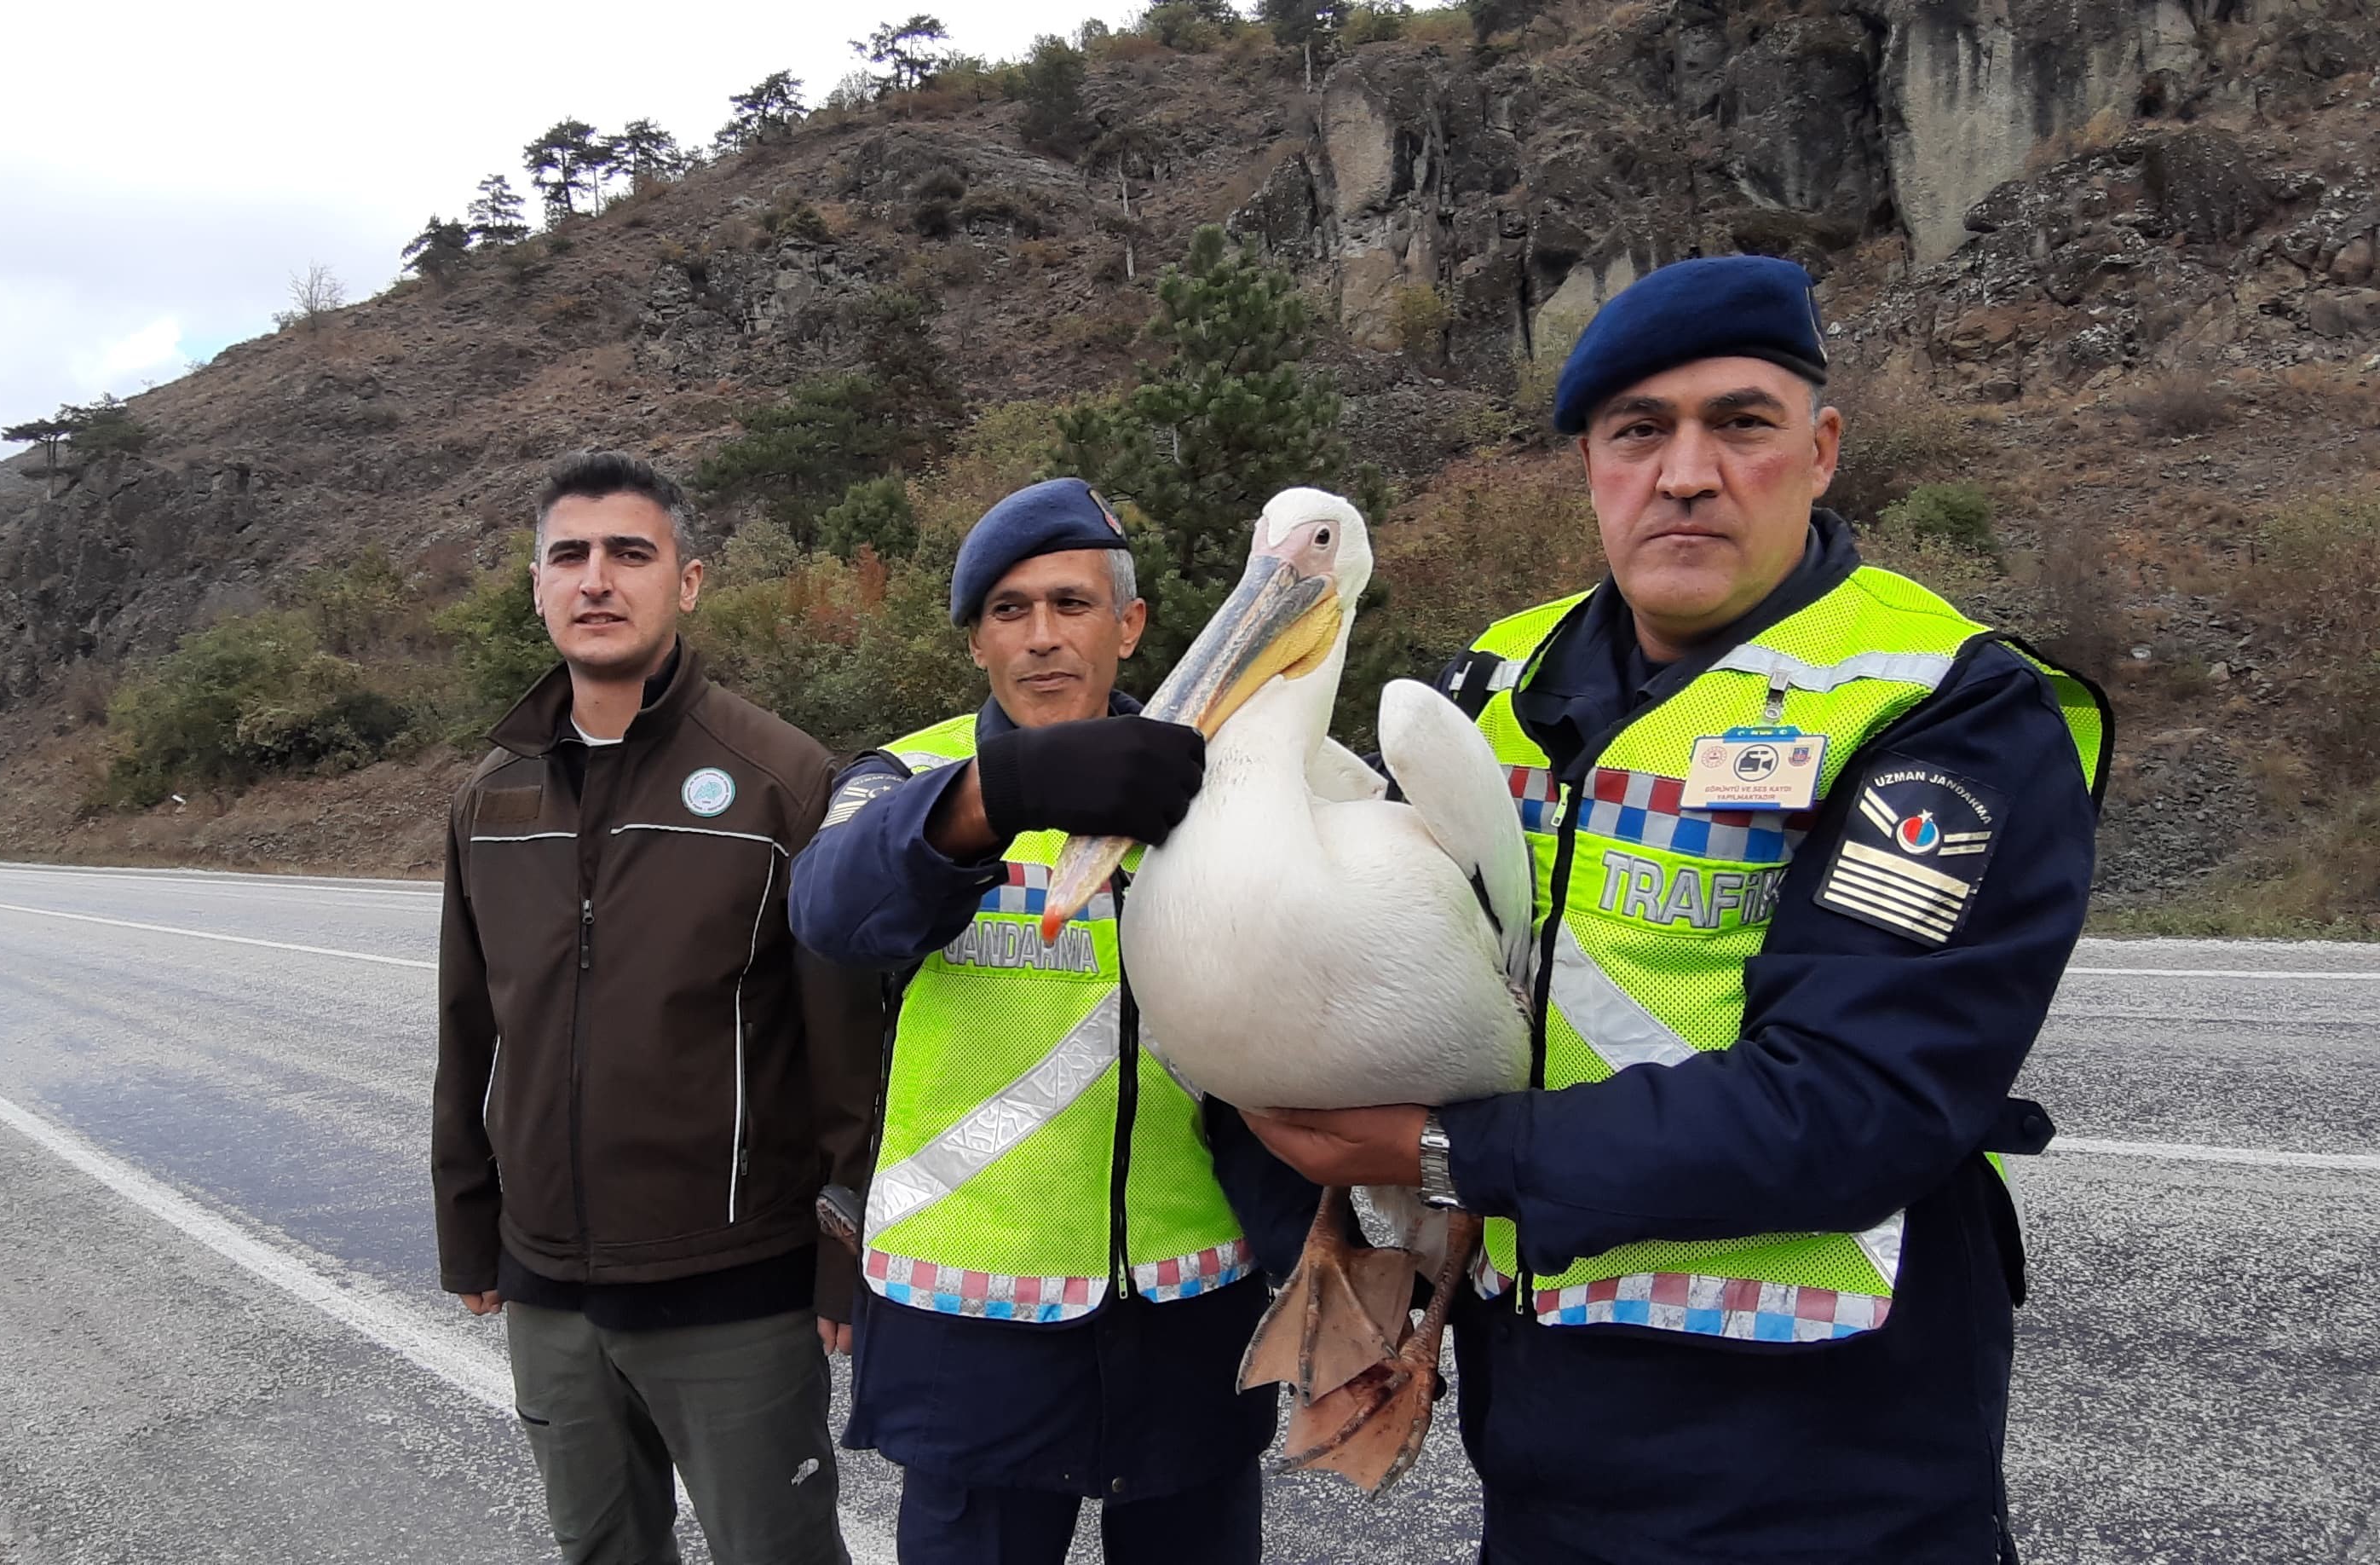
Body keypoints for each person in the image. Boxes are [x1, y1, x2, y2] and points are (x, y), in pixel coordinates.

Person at [1241, 256, 2112, 1563]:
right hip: (1545, 1432)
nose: (1686, 472)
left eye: (1741, 424)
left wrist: (1436, 1153)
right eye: (1639, 431)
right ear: (1591, 463)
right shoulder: (1497, 681)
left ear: (1821, 451)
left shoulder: (1942, 707)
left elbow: (1858, 1102)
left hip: (1819, 1452)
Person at [787, 478, 1317, 1565]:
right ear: (975, 640)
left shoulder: (1231, 789)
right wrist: (998, 794)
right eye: (1008, 610)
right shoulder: (908, 776)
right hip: (970, 1325)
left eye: (1071, 606)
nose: (1041, 638)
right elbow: (831, 907)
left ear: (1129, 628)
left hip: (1192, 1308)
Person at [432, 450, 880, 1565]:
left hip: (736, 1294)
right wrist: (467, 1228)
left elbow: (847, 1050)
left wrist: (843, 1245)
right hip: (548, 1292)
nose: (596, 579)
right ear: (535, 585)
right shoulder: (491, 798)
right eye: (568, 556)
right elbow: (465, 1030)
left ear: (687, 582)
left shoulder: (781, 778)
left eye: (630, 554)